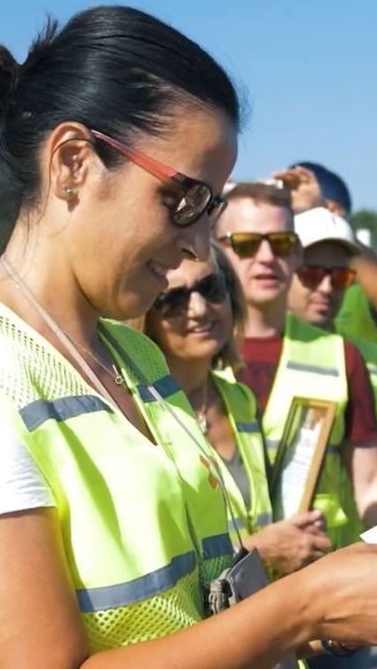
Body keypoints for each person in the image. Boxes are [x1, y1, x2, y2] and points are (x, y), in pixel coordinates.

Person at [0, 8, 377, 667]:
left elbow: (206, 613)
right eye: (183, 201)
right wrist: (303, 606)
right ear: (72, 163)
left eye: (209, 210)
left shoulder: (136, 357)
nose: (202, 250)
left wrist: (347, 610)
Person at [140, 246, 330, 576]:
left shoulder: (239, 399)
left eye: (211, 289)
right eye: (172, 299)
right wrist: (263, 552)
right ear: (145, 317)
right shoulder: (135, 413)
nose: (198, 309)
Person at [275, 163, 377, 504]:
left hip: (359, 547)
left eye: (340, 277)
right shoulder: (246, 350)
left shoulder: (370, 361)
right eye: (310, 274)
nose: (326, 287)